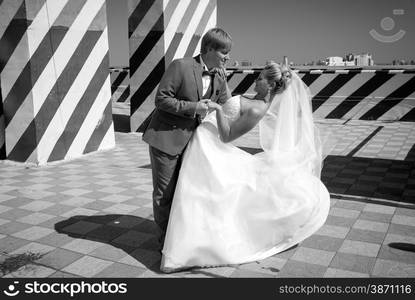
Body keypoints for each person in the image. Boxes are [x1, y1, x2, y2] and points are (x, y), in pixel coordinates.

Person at [160, 62, 330, 273]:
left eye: (259, 78)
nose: (255, 80)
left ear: (269, 85)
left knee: (196, 197)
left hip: (209, 146)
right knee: (196, 198)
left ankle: (188, 250)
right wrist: (222, 87)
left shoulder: (258, 109)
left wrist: (217, 110)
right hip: (203, 141)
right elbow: (234, 104)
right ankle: (187, 244)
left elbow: (227, 135)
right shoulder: (255, 98)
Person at [141, 28, 233, 250]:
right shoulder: (180, 66)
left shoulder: (218, 75)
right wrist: (194, 107)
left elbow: (227, 106)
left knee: (187, 193)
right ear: (209, 48)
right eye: (224, 52)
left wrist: (225, 81)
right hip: (167, 139)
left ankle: (181, 237)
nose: (227, 57)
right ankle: (166, 244)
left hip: (195, 145)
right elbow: (161, 99)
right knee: (165, 194)